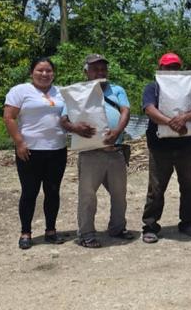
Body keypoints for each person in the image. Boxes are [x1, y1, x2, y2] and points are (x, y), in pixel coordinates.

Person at [60, 54, 133, 248]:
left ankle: (117, 228)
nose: (100, 72)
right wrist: (76, 128)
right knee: (88, 196)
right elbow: (63, 119)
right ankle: (86, 234)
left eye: (103, 69)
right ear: (86, 72)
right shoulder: (76, 92)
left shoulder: (117, 90)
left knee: (119, 194)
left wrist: (117, 131)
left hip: (115, 151)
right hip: (90, 152)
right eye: (95, 69)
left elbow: (125, 111)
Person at [3, 57, 68, 249]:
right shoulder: (20, 91)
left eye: (48, 71)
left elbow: (69, 116)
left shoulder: (61, 92)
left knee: (53, 191)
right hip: (30, 150)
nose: (44, 74)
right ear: (32, 73)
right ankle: (26, 232)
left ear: (53, 73)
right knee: (30, 192)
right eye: (40, 70)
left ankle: (51, 231)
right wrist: (19, 142)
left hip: (57, 149)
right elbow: (9, 117)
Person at [140, 53, 191, 243]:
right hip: (160, 146)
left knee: (188, 185)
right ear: (161, 68)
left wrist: (184, 118)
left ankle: (187, 222)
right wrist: (171, 122)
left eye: (175, 67)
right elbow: (149, 109)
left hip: (186, 144)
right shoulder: (152, 87)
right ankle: (150, 226)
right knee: (156, 188)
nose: (172, 70)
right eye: (168, 67)